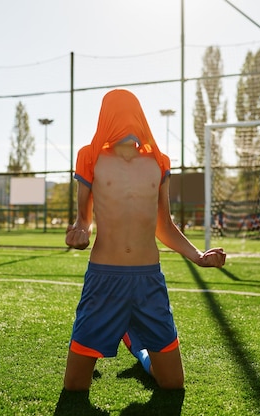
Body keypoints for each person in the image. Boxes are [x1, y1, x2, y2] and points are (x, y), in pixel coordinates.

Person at [64, 89, 227, 392]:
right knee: (75, 387)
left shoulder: (159, 161)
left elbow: (163, 225)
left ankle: (138, 350)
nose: (125, 116)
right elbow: (83, 221)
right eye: (116, 107)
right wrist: (79, 237)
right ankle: (127, 335)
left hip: (148, 281)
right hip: (104, 279)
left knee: (173, 383)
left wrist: (198, 256)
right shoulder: (89, 156)